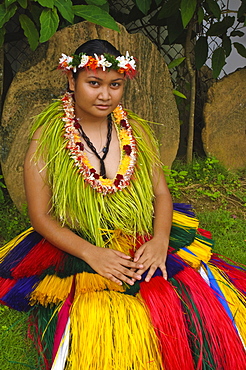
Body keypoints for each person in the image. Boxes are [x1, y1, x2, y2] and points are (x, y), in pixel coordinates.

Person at [0, 39, 245, 370]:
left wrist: (159, 241)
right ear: (72, 81)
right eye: (94, 83)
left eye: (115, 84)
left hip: (137, 232)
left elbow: (161, 194)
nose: (105, 95)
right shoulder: (48, 137)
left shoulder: (135, 131)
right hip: (81, 240)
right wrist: (92, 253)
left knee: (187, 289)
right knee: (105, 312)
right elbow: (40, 215)